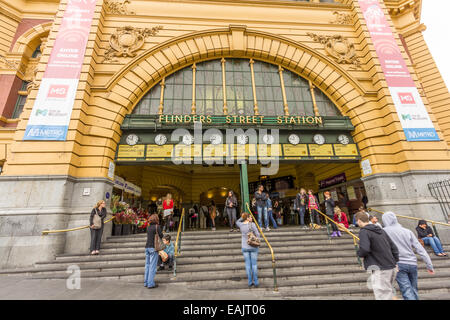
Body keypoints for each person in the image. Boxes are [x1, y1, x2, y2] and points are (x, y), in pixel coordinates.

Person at [382, 212, 435, 300]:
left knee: (407, 291)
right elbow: (420, 249)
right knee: (414, 290)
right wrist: (429, 265)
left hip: (398, 264)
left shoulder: (384, 232)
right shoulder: (407, 231)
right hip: (412, 263)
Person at [355, 212, 399, 300]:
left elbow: (365, 249)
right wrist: (396, 261)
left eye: (356, 221)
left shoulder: (364, 231)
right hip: (391, 266)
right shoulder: (381, 230)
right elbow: (394, 247)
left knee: (383, 296)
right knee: (389, 294)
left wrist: (359, 253)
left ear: (359, 221)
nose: (356, 223)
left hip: (379, 268)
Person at [236, 212, 261, 288]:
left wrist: (242, 217)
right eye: (250, 217)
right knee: (254, 265)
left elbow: (237, 221)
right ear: (247, 218)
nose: (251, 218)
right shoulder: (252, 224)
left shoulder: (241, 225)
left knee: (247, 265)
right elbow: (258, 234)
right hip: (253, 247)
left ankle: (250, 282)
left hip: (245, 246)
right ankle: (256, 282)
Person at [144, 214, 164, 289]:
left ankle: (146, 282)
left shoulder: (148, 227)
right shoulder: (157, 227)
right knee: (152, 266)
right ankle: (150, 283)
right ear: (156, 220)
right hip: (153, 248)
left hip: (147, 247)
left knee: (147, 265)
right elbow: (161, 236)